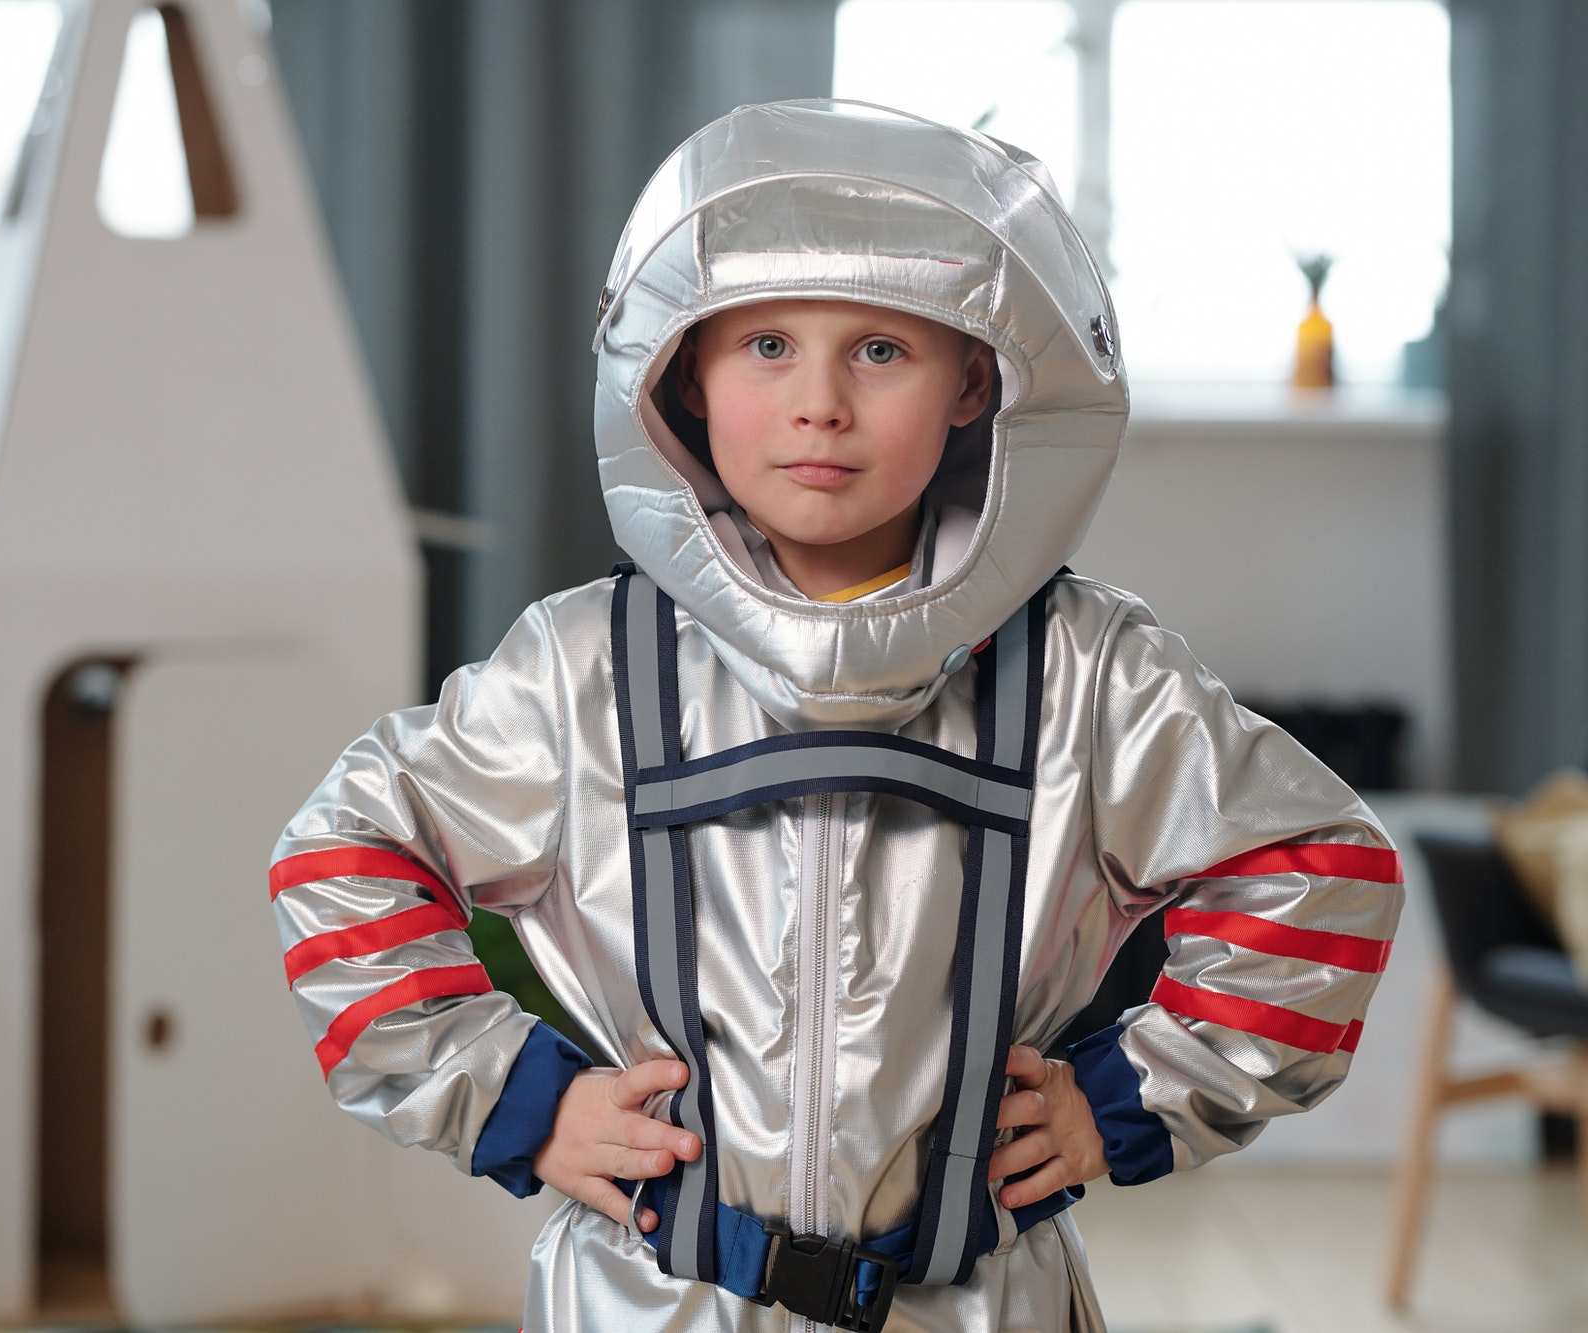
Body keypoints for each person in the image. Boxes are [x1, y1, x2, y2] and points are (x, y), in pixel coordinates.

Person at [268, 101, 1402, 1332]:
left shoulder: (1084, 670)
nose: (818, 403)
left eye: (878, 350)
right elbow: (342, 854)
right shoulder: (584, 668)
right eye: (762, 345)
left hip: (980, 1302)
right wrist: (518, 1101)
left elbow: (1319, 868)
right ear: (679, 374)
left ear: (976, 379)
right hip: (648, 1301)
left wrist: (1124, 1098)